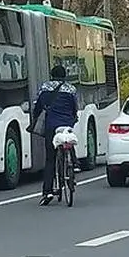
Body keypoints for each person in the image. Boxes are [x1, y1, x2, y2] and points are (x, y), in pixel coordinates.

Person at [29, 65, 79, 206]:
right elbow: (75, 108)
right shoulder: (71, 89)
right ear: (64, 76)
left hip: (51, 125)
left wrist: (35, 117)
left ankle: (48, 192)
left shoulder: (45, 88)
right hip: (67, 123)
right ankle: (73, 164)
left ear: (52, 75)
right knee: (68, 138)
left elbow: (38, 107)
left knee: (50, 159)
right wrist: (73, 118)